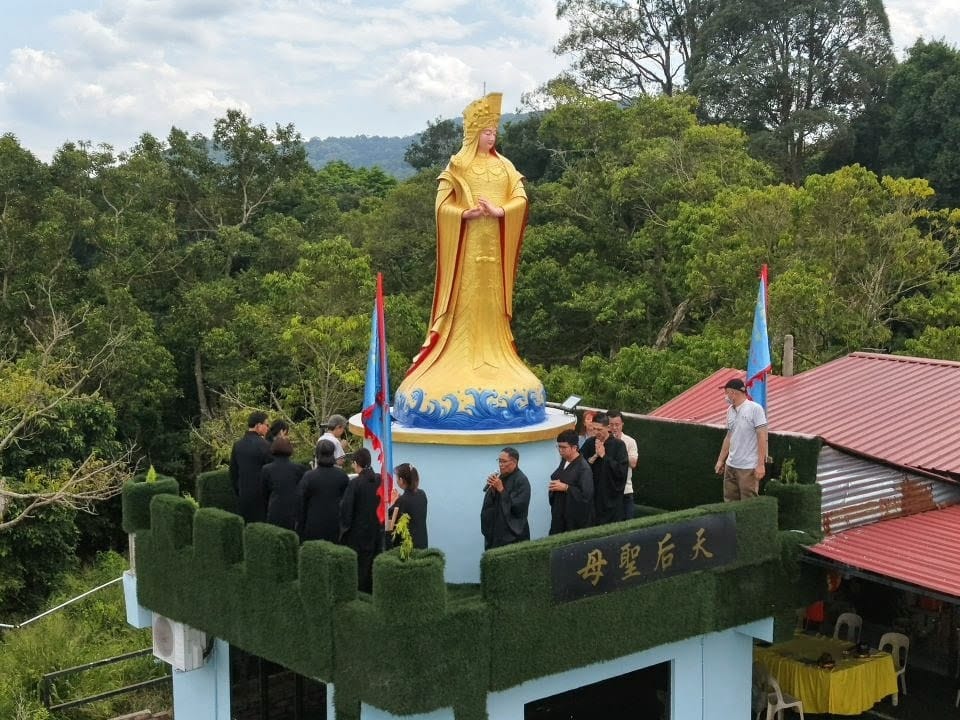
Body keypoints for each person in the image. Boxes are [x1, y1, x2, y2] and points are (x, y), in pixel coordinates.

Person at [393, 93, 546, 430]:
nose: (492, 136)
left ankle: (497, 360)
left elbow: (520, 199)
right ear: (474, 132)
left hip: (493, 256)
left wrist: (499, 211)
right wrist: (466, 213)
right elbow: (441, 207)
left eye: (495, 131)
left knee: (491, 304)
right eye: (487, 131)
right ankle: (453, 360)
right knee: (465, 305)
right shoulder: (457, 166)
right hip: (466, 257)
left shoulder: (505, 167)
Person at [714, 377, 768, 502]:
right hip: (731, 466)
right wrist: (721, 460)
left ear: (733, 393)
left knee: (748, 504)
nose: (725, 396)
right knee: (730, 503)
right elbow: (729, 437)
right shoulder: (730, 411)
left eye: (726, 392)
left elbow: (762, 437)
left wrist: (760, 465)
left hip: (748, 467)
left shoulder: (755, 409)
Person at [339, 448, 382, 593]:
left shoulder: (355, 484)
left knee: (360, 567)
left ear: (357, 463)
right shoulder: (379, 480)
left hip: (358, 532)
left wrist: (344, 529)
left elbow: (346, 509)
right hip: (376, 529)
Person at [580, 412, 629, 525]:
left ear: (608, 427)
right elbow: (579, 465)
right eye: (594, 429)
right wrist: (592, 458)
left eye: (599, 429)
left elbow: (621, 472)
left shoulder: (618, 445)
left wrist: (604, 456)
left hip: (611, 499)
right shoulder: (589, 443)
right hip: (592, 498)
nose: (596, 432)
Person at [297, 439, 349, 542]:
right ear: (333, 453)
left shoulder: (309, 477)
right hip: (335, 525)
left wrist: (300, 527)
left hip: (313, 524)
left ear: (317, 454)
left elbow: (300, 503)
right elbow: (347, 503)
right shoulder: (342, 476)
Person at [480, 447, 531, 550]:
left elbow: (518, 508)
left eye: (504, 461)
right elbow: (491, 503)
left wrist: (501, 489)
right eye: (499, 461)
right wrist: (493, 490)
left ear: (514, 462)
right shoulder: (500, 477)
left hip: (512, 535)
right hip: (496, 530)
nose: (500, 464)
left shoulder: (522, 480)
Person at [548, 429, 594, 535]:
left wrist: (566, 488)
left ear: (574, 447)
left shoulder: (583, 468)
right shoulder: (564, 460)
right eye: (558, 447)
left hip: (573, 522)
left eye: (564, 447)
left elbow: (586, 496)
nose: (560, 450)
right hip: (559, 514)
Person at [229, 411, 271, 523]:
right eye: (266, 425)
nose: (268, 428)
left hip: (243, 495)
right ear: (258, 426)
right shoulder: (265, 445)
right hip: (261, 497)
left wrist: (239, 490)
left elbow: (233, 472)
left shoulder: (237, 445)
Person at [261, 436, 307, 531]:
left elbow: (263, 492)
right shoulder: (299, 468)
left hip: (275, 508)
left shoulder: (267, 469)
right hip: (294, 510)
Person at [387, 463, 428, 549]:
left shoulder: (402, 501)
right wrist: (398, 499)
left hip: (408, 548)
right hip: (422, 543)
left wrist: (394, 502)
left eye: (397, 478)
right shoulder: (422, 494)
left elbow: (390, 520)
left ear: (401, 480)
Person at [608, 411, 639, 520]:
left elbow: (633, 463)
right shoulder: (603, 442)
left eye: (617, 424)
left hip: (626, 490)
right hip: (608, 492)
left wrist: (620, 448)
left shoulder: (630, 441)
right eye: (611, 425)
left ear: (622, 425)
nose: (614, 428)